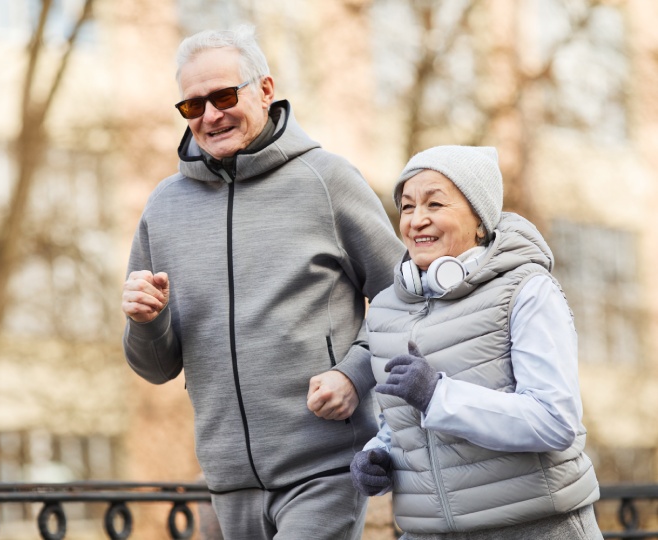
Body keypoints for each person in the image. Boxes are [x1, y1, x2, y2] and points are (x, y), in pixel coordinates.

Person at [121, 25, 405, 539]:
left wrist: (355, 373)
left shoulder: (328, 180)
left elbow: (405, 299)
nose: (210, 116)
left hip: (323, 466)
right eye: (192, 106)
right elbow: (155, 368)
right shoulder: (163, 207)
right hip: (226, 480)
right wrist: (148, 322)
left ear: (265, 90)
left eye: (224, 96)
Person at [351, 145, 603, 539]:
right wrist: (379, 455)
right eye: (407, 207)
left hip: (536, 528)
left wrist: (438, 396)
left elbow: (555, 420)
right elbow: (400, 422)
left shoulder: (528, 290)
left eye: (435, 203)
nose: (417, 220)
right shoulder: (385, 310)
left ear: (481, 222)